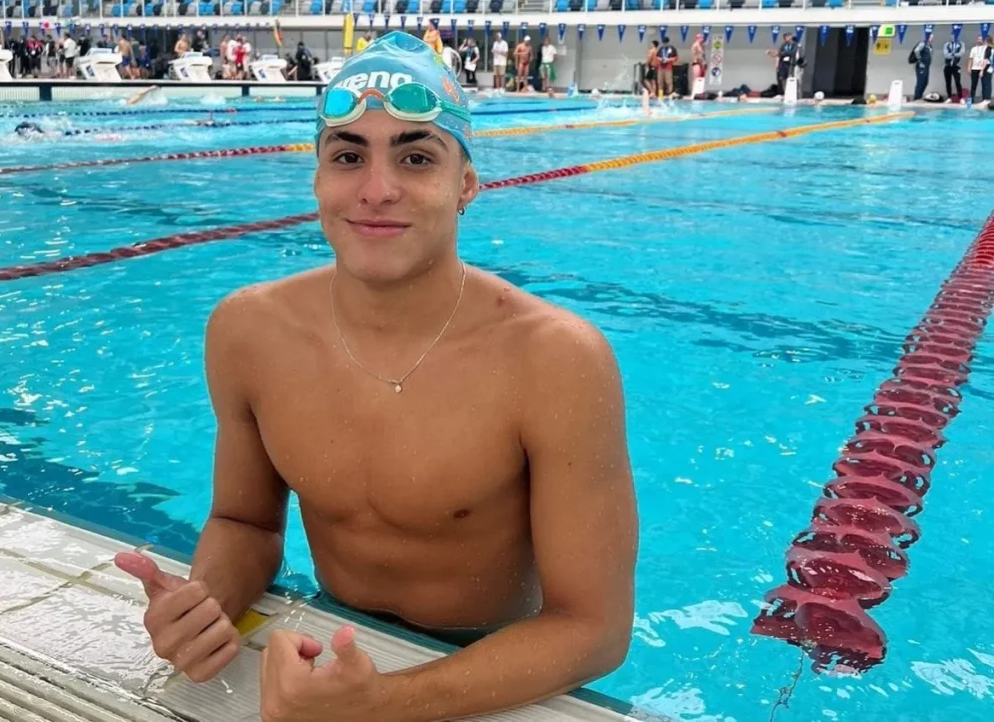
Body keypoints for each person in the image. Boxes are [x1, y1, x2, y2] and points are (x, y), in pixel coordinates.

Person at [114, 30, 637, 722]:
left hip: (496, 661)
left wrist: (382, 703)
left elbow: (595, 629)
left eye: (416, 157)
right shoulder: (248, 332)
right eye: (348, 156)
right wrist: (205, 604)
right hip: (337, 632)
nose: (377, 189)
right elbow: (245, 522)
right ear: (317, 179)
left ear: (466, 185)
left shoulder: (556, 360)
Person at [911, 34, 933, 101]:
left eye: (932, 38)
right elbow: (916, 51)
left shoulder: (929, 46)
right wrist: (919, 59)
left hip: (926, 66)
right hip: (921, 66)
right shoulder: (923, 43)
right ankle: (916, 97)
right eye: (930, 37)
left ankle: (919, 96)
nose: (932, 39)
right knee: (920, 82)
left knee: (925, 82)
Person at [943, 33, 964, 102]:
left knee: (957, 81)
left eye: (955, 36)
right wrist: (954, 54)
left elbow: (961, 53)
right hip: (947, 66)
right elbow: (945, 55)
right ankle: (949, 97)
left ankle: (960, 97)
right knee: (948, 82)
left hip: (956, 66)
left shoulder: (961, 44)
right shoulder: (946, 44)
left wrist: (951, 54)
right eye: (952, 36)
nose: (953, 38)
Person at [968, 35, 987, 104]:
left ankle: (984, 100)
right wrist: (969, 67)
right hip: (974, 68)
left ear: (983, 40)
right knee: (973, 85)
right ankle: (971, 101)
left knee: (984, 85)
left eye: (981, 39)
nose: (979, 40)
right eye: (978, 39)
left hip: (983, 69)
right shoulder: (973, 49)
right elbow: (970, 59)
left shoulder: (986, 48)